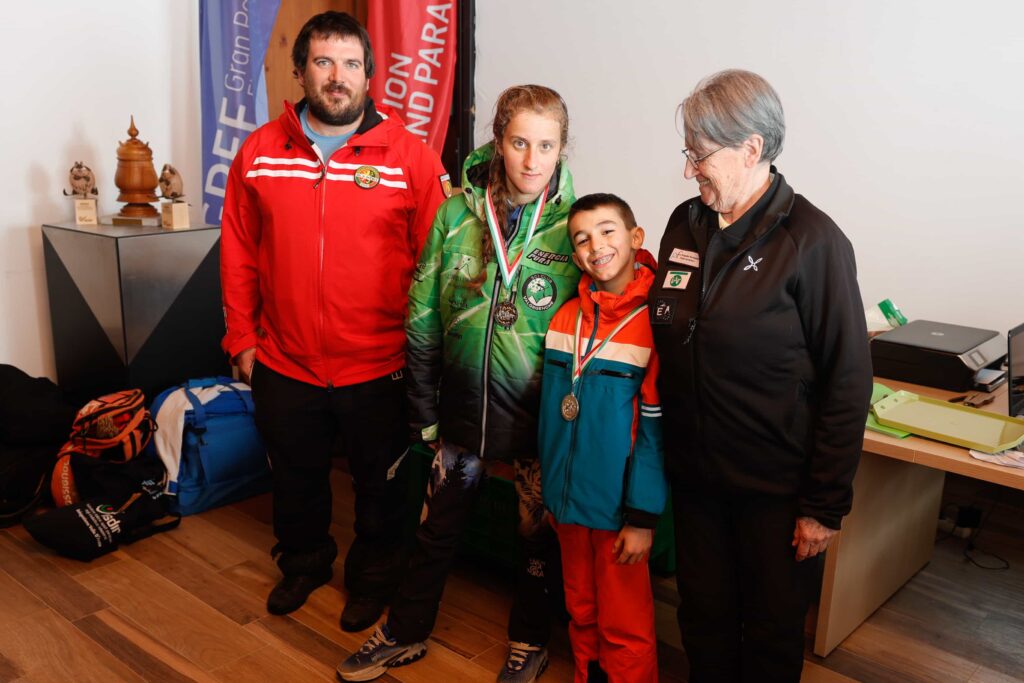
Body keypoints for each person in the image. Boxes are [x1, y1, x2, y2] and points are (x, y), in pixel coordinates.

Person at [338, 84, 580, 683]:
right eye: (520, 142)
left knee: (534, 539)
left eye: (545, 145)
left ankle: (529, 641)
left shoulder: (574, 228)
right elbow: (421, 319)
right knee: (436, 528)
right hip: (463, 409)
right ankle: (405, 630)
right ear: (498, 142)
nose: (531, 159)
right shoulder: (453, 216)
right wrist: (423, 407)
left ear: (561, 150)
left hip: (537, 418)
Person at [219, 11, 450, 631]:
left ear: (369, 75)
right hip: (285, 360)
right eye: (323, 62)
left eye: (351, 64)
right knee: (294, 481)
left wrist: (431, 358)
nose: (337, 76)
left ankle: (372, 580)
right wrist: (242, 339)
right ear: (301, 72)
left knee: (381, 490)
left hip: (380, 364)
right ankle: (304, 562)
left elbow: (442, 263)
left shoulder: (410, 157)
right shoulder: (261, 153)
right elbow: (238, 252)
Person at [649, 69, 873, 682]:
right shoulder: (684, 222)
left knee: (772, 633)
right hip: (696, 479)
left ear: (751, 149)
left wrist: (824, 506)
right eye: (688, 152)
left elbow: (848, 380)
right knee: (703, 617)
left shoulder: (813, 241)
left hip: (775, 491)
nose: (692, 168)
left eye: (701, 153)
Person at [539, 193, 667, 682]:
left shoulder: (655, 325)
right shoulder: (564, 317)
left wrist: (641, 517)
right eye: (583, 238)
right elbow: (554, 414)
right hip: (567, 504)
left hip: (619, 513)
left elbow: (655, 433)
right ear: (576, 256)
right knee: (581, 605)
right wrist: (552, 491)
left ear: (635, 238)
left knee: (625, 622)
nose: (598, 245)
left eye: (609, 231)